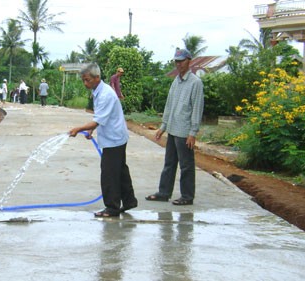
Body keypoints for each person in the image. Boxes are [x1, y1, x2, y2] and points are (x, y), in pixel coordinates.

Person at [69, 63, 138, 217]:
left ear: (97, 77)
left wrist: (78, 129)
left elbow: (98, 120)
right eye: (83, 81)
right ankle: (129, 201)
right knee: (120, 170)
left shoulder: (105, 94)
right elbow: (99, 118)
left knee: (109, 173)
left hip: (114, 139)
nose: (85, 84)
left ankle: (112, 208)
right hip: (116, 136)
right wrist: (91, 129)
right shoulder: (98, 91)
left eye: (87, 80)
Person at [145, 48, 204, 206]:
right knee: (169, 163)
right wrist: (163, 126)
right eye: (176, 61)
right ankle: (164, 192)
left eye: (182, 61)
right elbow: (169, 105)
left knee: (186, 165)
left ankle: (187, 196)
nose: (179, 64)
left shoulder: (195, 83)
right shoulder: (176, 81)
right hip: (172, 129)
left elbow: (197, 108)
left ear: (188, 61)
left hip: (184, 131)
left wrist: (193, 132)